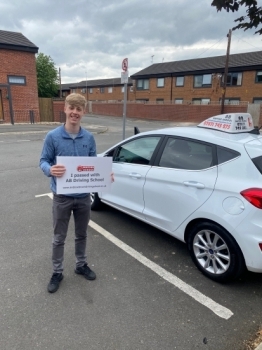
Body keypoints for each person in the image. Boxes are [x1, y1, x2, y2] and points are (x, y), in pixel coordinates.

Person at [39, 93, 98, 293]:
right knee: (59, 237)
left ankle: (81, 265)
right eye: (71, 108)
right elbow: (43, 161)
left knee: (81, 235)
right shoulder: (53, 136)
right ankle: (57, 272)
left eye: (79, 109)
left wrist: (106, 175)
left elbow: (94, 164)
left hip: (83, 197)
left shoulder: (88, 138)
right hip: (62, 197)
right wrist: (50, 169)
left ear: (83, 112)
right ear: (65, 109)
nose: (75, 112)